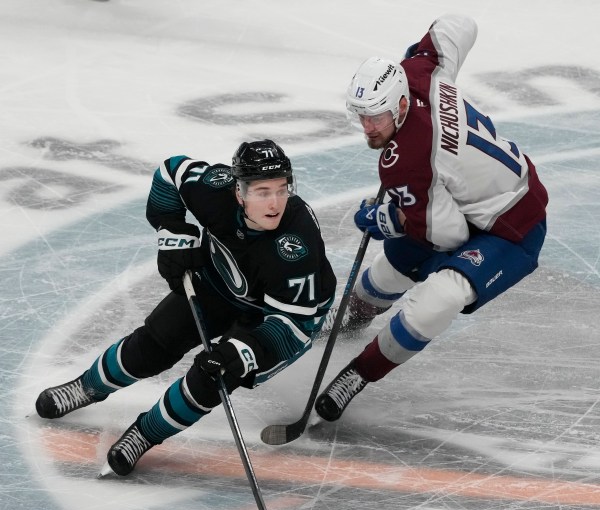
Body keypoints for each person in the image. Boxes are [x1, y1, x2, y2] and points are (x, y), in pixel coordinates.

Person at [36, 139, 336, 475]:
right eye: (262, 191)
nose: (275, 202)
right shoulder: (215, 189)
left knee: (209, 379)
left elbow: (292, 326)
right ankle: (87, 386)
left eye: (282, 190)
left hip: (275, 318)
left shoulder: (295, 244)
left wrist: (240, 351)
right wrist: (171, 229)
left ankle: (145, 434)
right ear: (239, 192)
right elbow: (170, 172)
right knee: (154, 343)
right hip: (218, 284)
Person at [315, 14, 548, 422]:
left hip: (513, 227)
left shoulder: (409, 161)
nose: (368, 128)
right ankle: (353, 316)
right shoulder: (420, 71)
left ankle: (359, 373)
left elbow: (447, 234)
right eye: (362, 115)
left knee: (438, 300)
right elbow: (459, 25)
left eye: (377, 116)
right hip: (466, 194)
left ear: (402, 104)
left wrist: (388, 218)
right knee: (393, 266)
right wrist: (417, 59)